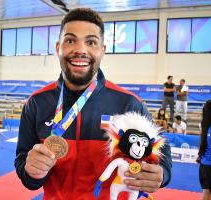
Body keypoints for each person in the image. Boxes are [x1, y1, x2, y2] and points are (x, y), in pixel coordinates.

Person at [15, 8, 172, 199]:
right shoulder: (37, 103)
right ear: (58, 48)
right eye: (70, 40)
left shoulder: (128, 104)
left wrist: (161, 174)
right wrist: (32, 172)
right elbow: (24, 167)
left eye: (91, 42)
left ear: (102, 51)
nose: (80, 50)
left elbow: (162, 152)